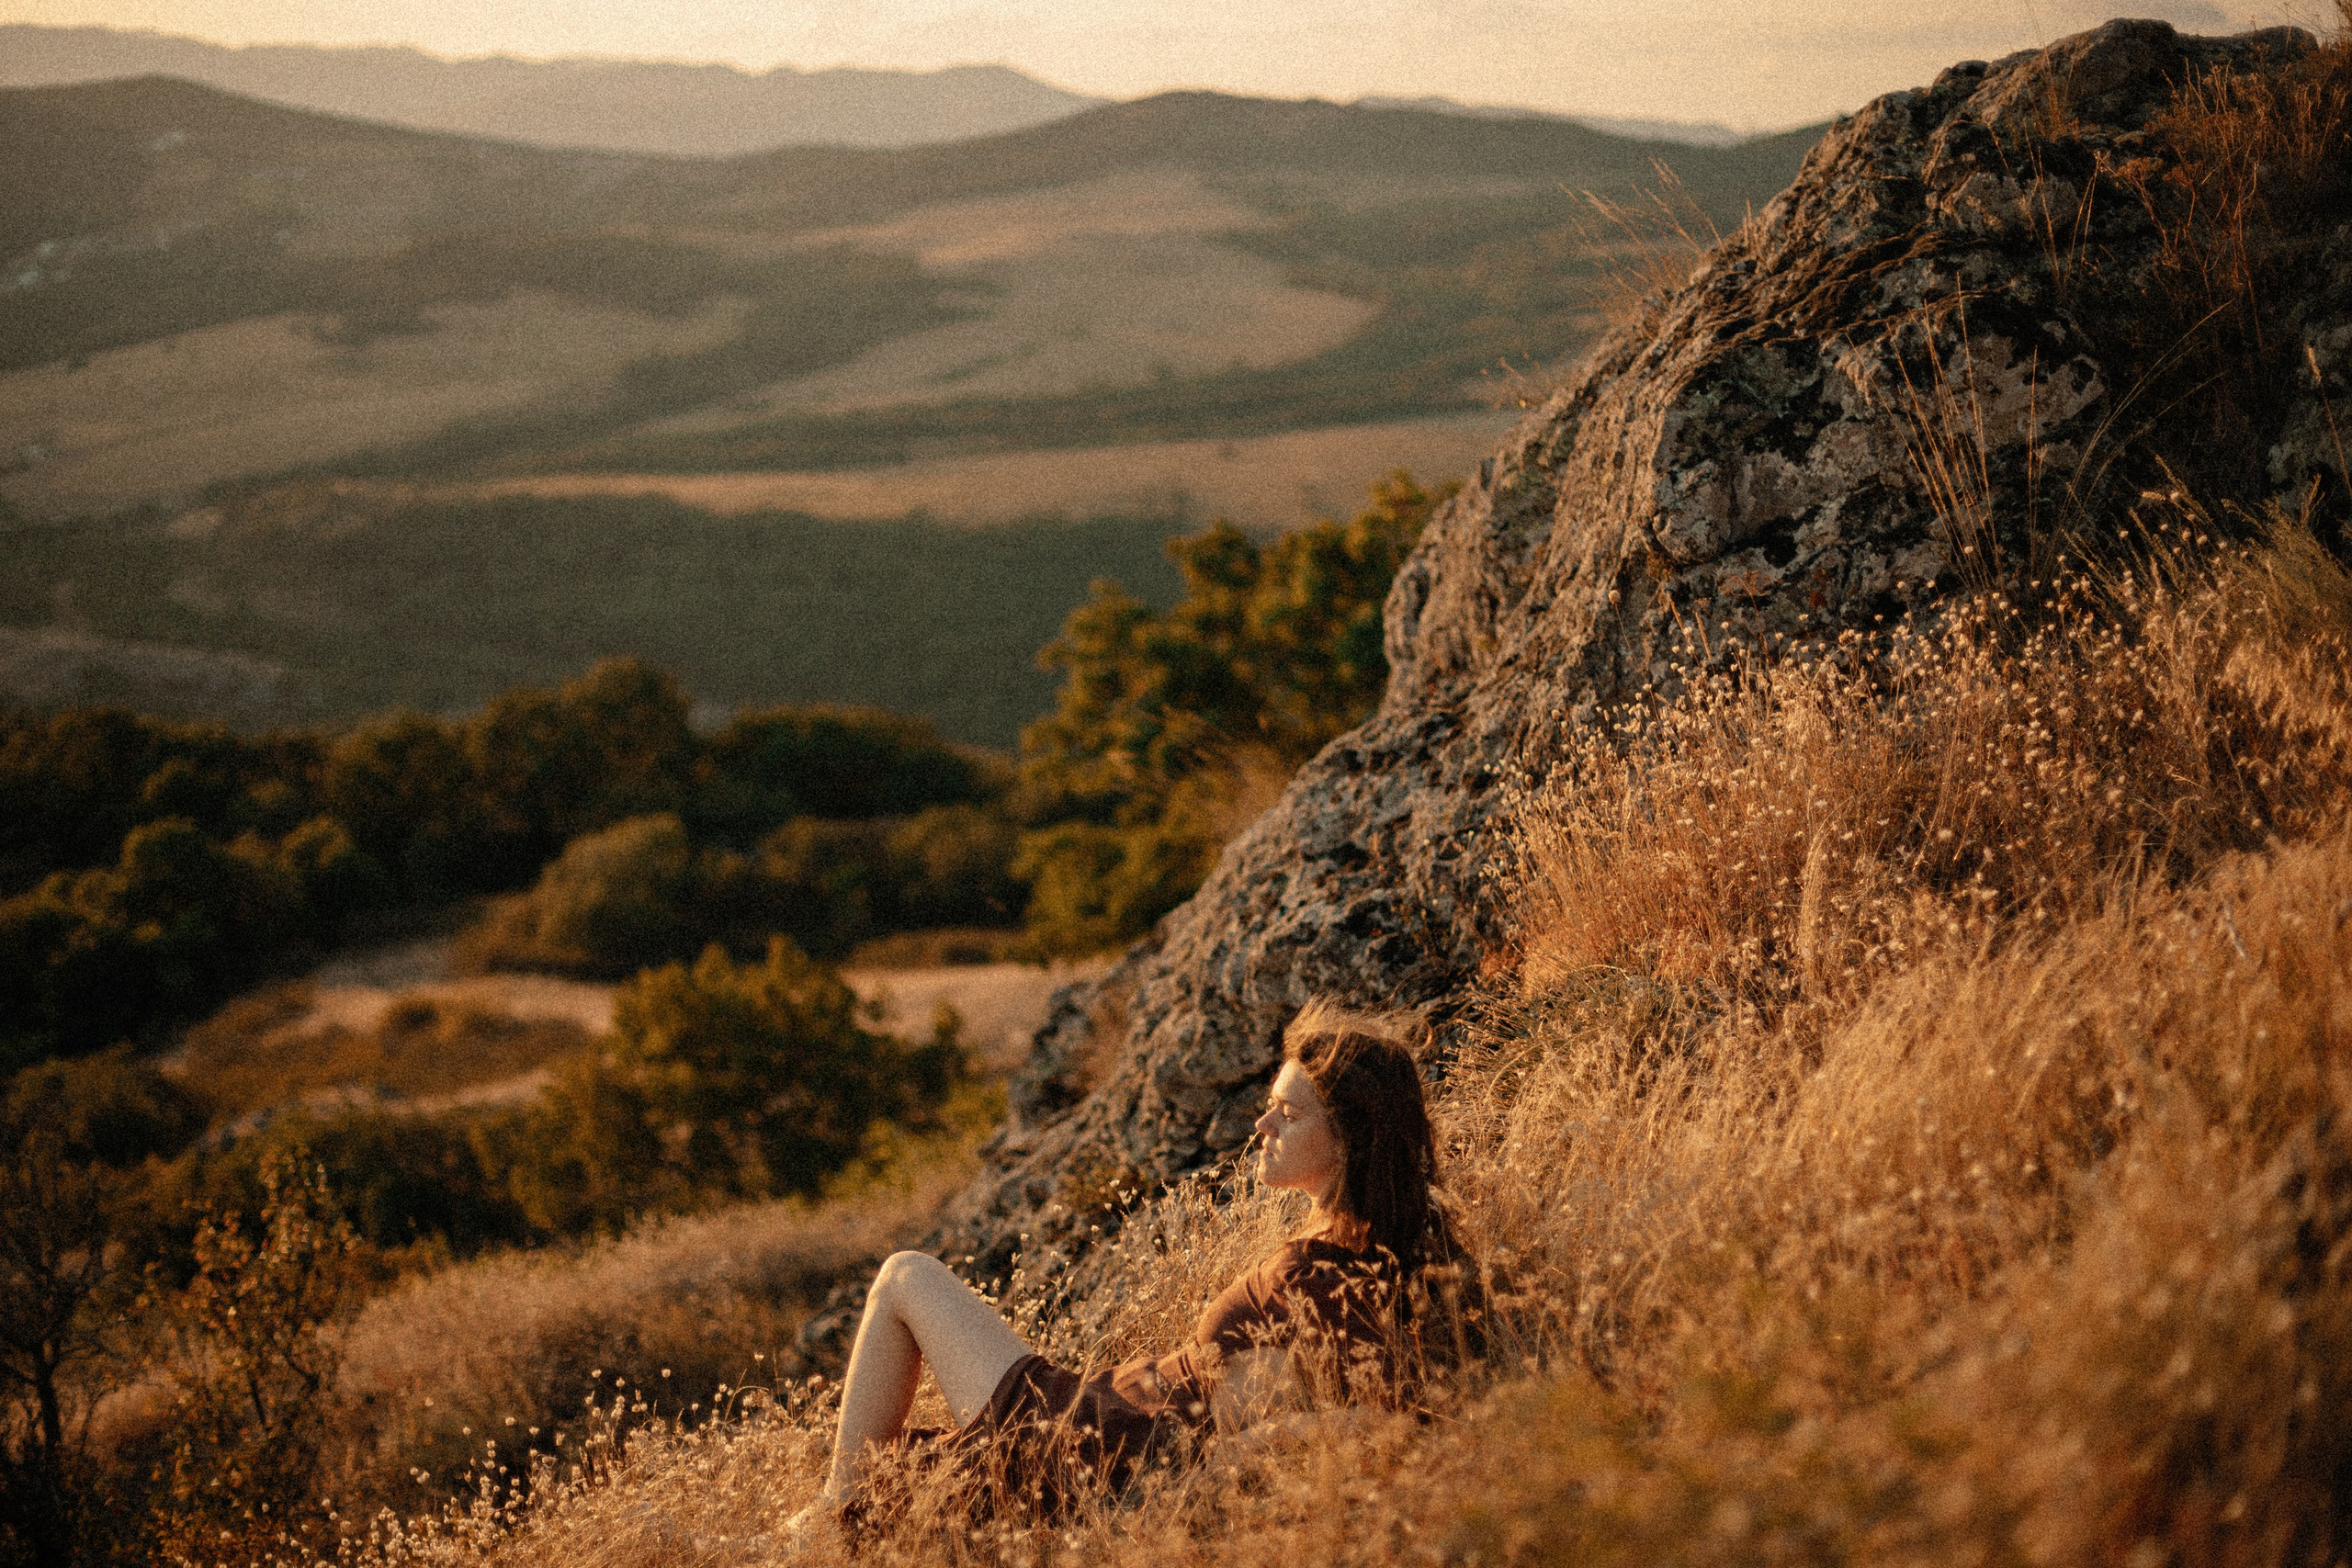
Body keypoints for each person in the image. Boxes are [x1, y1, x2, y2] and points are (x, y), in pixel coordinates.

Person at [787, 999, 1476, 1536]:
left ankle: (830, 1514)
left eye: (1288, 1114)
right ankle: (832, 1514)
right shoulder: (1375, 1247)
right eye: (1269, 1106)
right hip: (1104, 1419)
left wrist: (1201, 1471)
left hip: (1094, 1438)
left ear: (1351, 1138)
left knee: (905, 1276)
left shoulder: (1319, 1270)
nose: (1263, 1126)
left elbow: (1370, 1421)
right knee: (900, 1470)